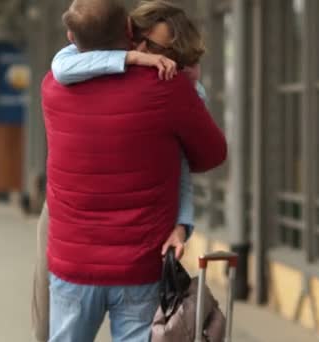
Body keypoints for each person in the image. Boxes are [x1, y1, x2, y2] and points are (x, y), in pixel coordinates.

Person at [40, 0, 227, 341]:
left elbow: (65, 64)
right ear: (129, 31)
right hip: (140, 266)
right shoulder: (168, 87)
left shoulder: (54, 87)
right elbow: (211, 154)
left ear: (71, 36)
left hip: (73, 263)